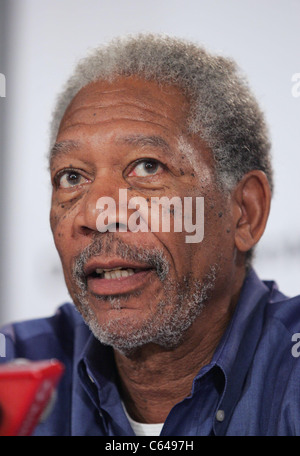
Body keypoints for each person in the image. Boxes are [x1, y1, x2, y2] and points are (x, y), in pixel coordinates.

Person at [1, 34, 300, 436]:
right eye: (72, 177)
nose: (96, 214)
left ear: (244, 212)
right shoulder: (17, 369)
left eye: (146, 168)